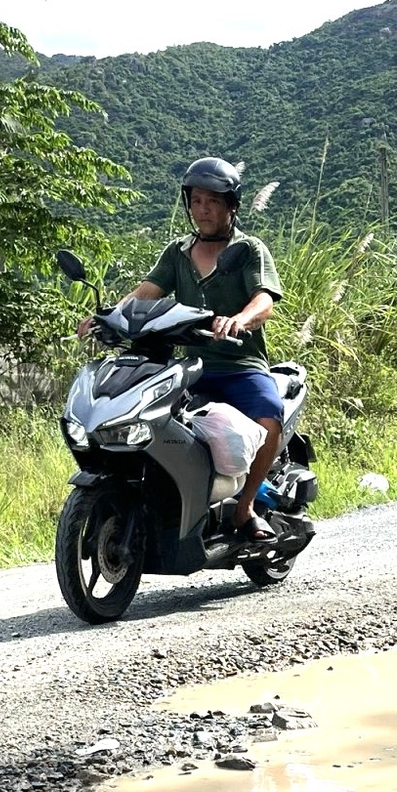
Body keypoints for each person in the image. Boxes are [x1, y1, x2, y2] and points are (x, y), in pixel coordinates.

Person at [101, 157, 286, 539]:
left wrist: (240, 319)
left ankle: (245, 507)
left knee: (269, 416)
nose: (203, 209)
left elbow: (263, 299)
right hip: (191, 366)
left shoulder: (248, 249)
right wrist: (107, 317)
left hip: (240, 365)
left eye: (213, 201)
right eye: (197, 200)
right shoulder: (178, 252)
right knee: (147, 421)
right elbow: (144, 294)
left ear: (231, 205)